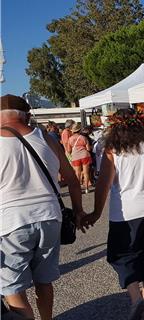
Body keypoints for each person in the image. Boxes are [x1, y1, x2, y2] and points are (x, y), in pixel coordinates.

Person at [0, 94, 85, 320]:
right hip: (50, 217)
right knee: (43, 280)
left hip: (11, 222)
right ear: (26, 115)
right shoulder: (47, 139)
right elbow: (72, 180)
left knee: (12, 287)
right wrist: (78, 212)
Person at [83, 109, 144, 320]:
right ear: (140, 124)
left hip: (125, 212)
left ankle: (135, 297)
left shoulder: (112, 149)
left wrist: (95, 213)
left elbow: (103, 184)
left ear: (114, 126)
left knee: (122, 255)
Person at [68, 123, 92, 193]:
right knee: (86, 173)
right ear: (79, 130)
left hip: (75, 157)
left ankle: (78, 189)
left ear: (73, 130)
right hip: (85, 155)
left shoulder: (70, 139)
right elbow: (88, 149)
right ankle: (87, 188)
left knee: (77, 173)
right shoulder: (84, 138)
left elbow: (69, 150)